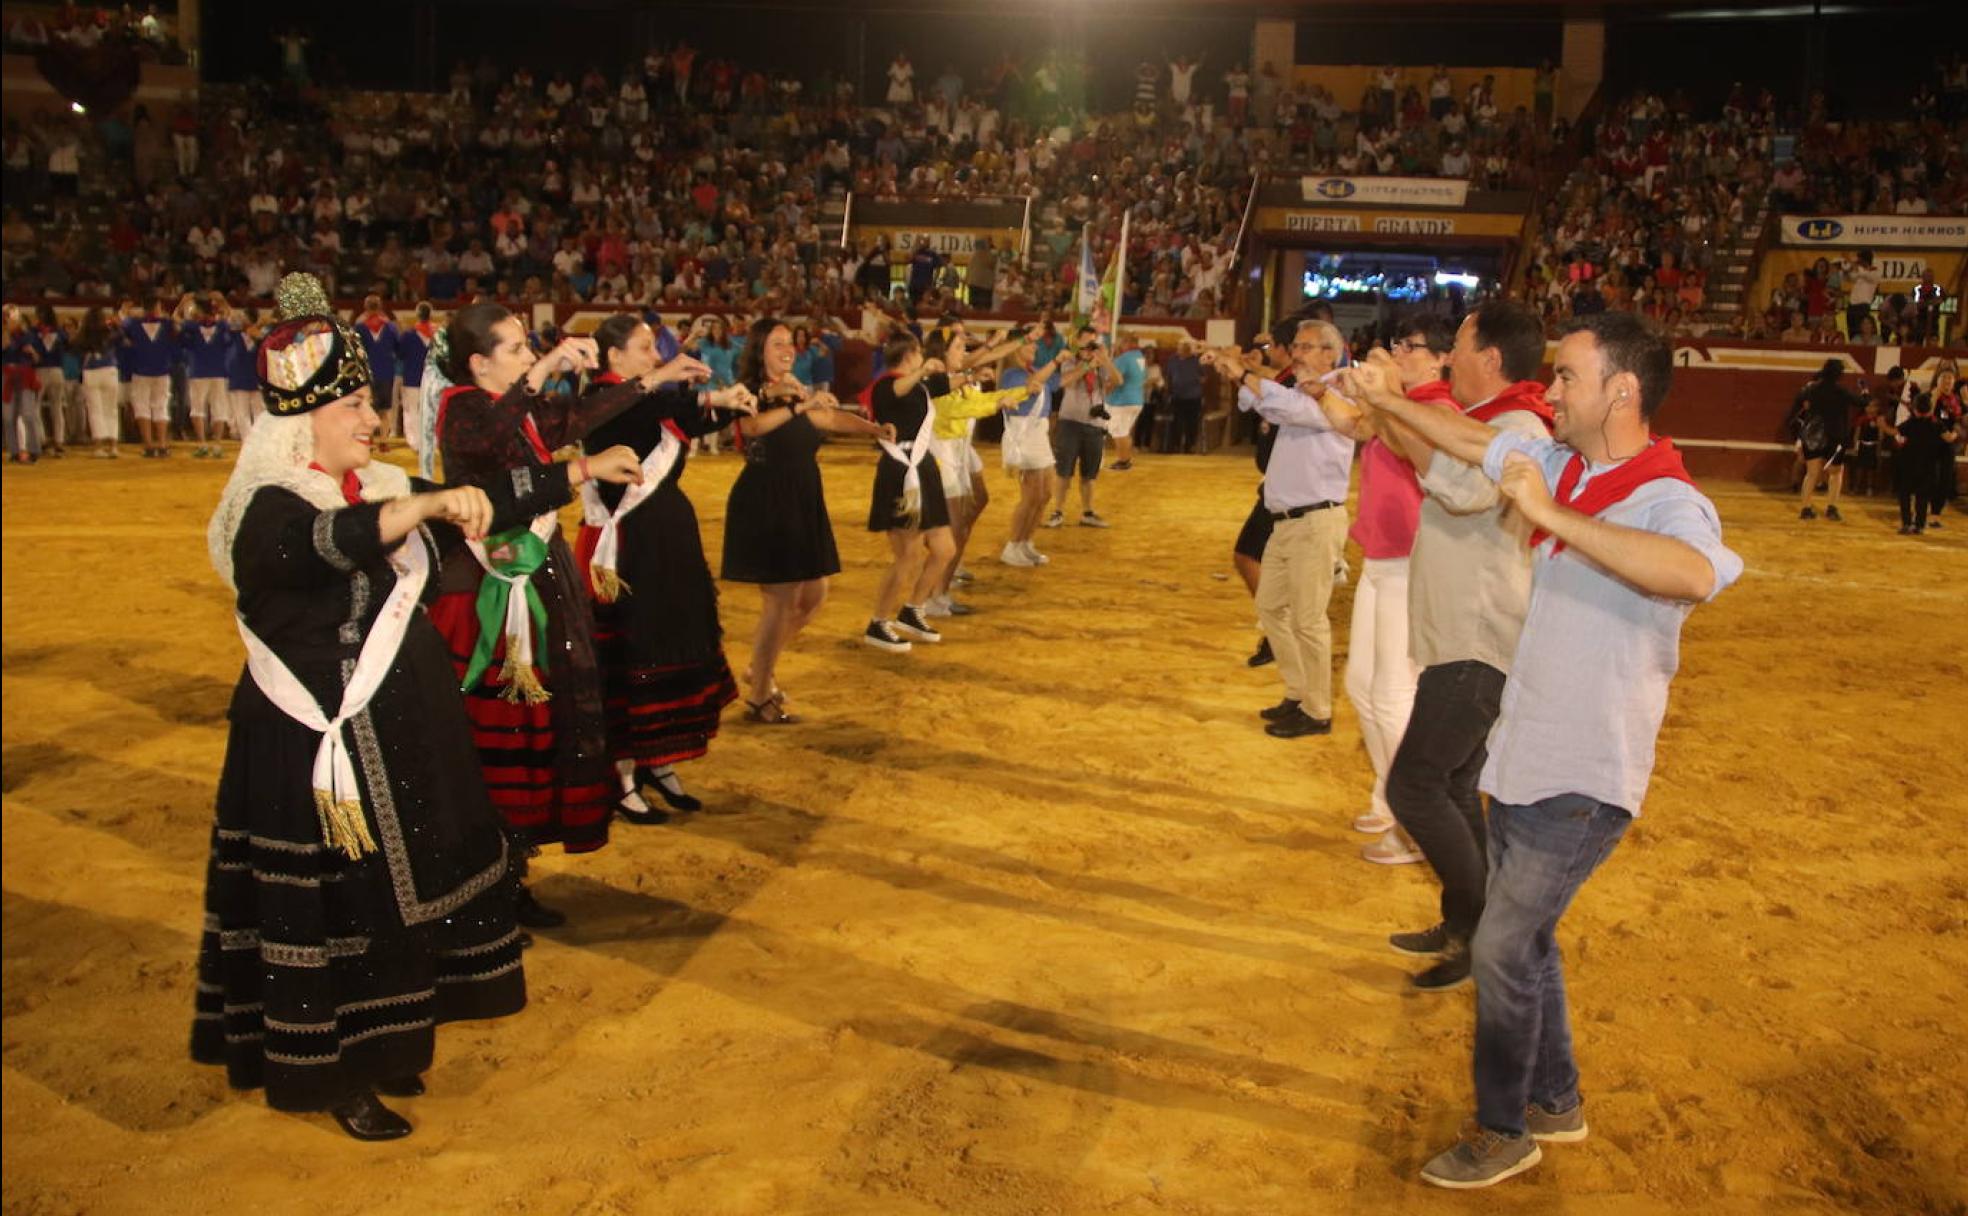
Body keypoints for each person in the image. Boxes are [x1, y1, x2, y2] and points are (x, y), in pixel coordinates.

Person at [195, 276, 643, 1141]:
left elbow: (483, 505)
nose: (372, 419)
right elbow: (327, 544)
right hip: (316, 755)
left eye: (370, 402)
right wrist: (426, 502)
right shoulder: (273, 511)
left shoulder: (381, 486)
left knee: (397, 895)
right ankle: (338, 1073)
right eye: (355, 405)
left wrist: (578, 469)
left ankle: (392, 1045)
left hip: (395, 733)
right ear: (300, 425)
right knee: (341, 905)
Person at [1345, 311, 1742, 1189]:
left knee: (1500, 945)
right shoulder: (1563, 463)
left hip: (1586, 771)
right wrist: (1398, 400)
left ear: (1622, 391)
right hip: (1527, 750)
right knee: (1528, 944)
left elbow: (1695, 572)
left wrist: (1550, 510)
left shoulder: (1667, 495)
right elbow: (1468, 435)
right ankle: (1554, 1103)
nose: (1552, 392)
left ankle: (1503, 1129)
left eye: (1568, 377)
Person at [425, 301, 654, 930]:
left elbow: (577, 415)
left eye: (530, 348)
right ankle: (482, 885)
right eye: (518, 349)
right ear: (479, 362)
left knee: (536, 727)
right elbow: (498, 468)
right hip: (487, 591)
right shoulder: (463, 410)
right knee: (500, 730)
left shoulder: (512, 410)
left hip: (537, 577)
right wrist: (552, 377)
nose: (529, 358)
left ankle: (510, 874)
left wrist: (646, 383)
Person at [1370, 299, 1553, 991]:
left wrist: (1396, 402)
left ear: (1492, 359)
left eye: (1463, 345)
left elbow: (1453, 489)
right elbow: (1415, 452)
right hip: (1467, 638)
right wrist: (1391, 403)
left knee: (1415, 787)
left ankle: (1485, 933)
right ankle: (1468, 928)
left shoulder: (1516, 427)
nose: (1451, 357)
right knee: (1450, 783)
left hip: (1478, 642)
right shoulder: (1489, 422)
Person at [576, 315, 756, 820]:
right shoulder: (604, 400)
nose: (655, 356)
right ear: (614, 357)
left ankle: (659, 760)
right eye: (643, 347)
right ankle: (624, 772)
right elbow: (650, 411)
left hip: (665, 542)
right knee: (634, 657)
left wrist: (738, 399)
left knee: (669, 642)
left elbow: (686, 417)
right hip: (630, 548)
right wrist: (708, 397)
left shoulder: (645, 396)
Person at [721, 317, 892, 719]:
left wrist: (873, 429)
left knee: (814, 595)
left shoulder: (796, 388)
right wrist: (802, 404)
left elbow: (829, 420)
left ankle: (758, 670)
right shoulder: (751, 392)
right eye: (777, 342)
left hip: (801, 496)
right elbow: (753, 426)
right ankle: (760, 696)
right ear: (759, 349)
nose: (787, 349)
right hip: (767, 498)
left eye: (790, 342)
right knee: (779, 602)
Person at [1207, 319, 1362, 741]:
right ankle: (1298, 693)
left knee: (1309, 620)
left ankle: (1318, 709)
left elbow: (1286, 409)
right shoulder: (1300, 390)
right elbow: (1263, 404)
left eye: (1307, 347)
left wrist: (1243, 372)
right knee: (1272, 608)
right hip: (1287, 520)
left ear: (1331, 352)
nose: (1296, 354)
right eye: (1295, 346)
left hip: (1315, 519)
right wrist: (1239, 372)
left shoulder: (1340, 391)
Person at [1348, 316, 1457, 867]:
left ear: (1440, 360)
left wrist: (1385, 397)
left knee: (1393, 693)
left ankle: (1415, 822)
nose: (1398, 354)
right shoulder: (1407, 401)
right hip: (1381, 556)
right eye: (1397, 346)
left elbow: (1417, 460)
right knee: (1362, 685)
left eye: (1410, 348)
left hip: (1413, 562)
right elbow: (1361, 429)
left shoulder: (1440, 408)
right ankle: (1390, 799)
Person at [864, 331, 960, 653]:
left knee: (945, 548)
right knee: (908, 555)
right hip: (900, 468)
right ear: (909, 355)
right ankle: (878, 622)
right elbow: (895, 391)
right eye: (918, 354)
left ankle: (912, 610)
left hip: (923, 468)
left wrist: (978, 371)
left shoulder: (919, 386)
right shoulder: (884, 387)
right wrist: (922, 372)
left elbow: (950, 382)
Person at [1231, 327, 1293, 667]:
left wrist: (1244, 370)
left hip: (1286, 491)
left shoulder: (1293, 382)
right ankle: (1276, 629)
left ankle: (1276, 631)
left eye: (1268, 345)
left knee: (1247, 555)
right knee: (1252, 557)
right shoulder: (1283, 377)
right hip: (1276, 486)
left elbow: (1272, 386)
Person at [996, 334, 1068, 566]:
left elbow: (1059, 382)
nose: (1035, 346)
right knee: (1031, 496)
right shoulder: (1011, 375)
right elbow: (1031, 385)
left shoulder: (1034, 369)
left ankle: (1026, 542)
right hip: (1024, 432)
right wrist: (1055, 361)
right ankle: (1013, 545)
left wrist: (1087, 365)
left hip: (1039, 432)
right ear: (1017, 349)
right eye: (1030, 343)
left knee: (1045, 494)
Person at [1045, 325, 1121, 529]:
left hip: (1095, 425)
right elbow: (1066, 383)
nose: (1089, 347)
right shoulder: (1070, 361)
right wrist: (1087, 365)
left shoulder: (1101, 363)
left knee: (1090, 473)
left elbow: (1118, 380)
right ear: (1077, 342)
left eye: (1093, 343)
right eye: (1086, 343)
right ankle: (1057, 511)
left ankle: (1087, 512)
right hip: (1070, 422)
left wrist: (1104, 360)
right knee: (1064, 471)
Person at [1794, 358, 1860, 522]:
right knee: (1836, 473)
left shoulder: (1811, 389)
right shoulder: (1841, 391)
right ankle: (1831, 507)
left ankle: (1805, 508)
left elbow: (1799, 402)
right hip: (1835, 436)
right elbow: (1862, 402)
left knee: (1812, 474)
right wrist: (1864, 390)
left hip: (1814, 435)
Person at [1884, 393, 1958, 535]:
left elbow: (1893, 431)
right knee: (1922, 497)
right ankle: (1919, 525)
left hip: (1908, 465)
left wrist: (1882, 424)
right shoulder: (1936, 423)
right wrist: (1955, 432)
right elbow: (1948, 438)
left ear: (1916, 409)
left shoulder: (1911, 423)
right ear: (1930, 409)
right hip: (1928, 467)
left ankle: (1906, 523)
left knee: (1905, 495)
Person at [177, 292, 234, 457]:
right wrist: (223, 301)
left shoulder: (192, 326)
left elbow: (175, 319)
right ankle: (216, 445)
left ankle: (202, 444)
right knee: (219, 409)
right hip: (219, 372)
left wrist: (182, 303)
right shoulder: (221, 325)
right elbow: (232, 316)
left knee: (198, 408)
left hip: (198, 372)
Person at [122, 294, 177, 458]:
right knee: (160, 407)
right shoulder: (167, 324)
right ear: (157, 307)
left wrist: (126, 311)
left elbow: (121, 326)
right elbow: (177, 330)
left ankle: (148, 445)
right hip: (162, 371)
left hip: (141, 371)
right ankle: (162, 444)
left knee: (142, 407)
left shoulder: (133, 323)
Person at [73, 306, 124, 458]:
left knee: (95, 410)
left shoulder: (83, 335)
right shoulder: (109, 332)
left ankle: (98, 446)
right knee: (111, 409)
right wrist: (115, 324)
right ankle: (113, 446)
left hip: (91, 371)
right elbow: (120, 337)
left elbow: (74, 347)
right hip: (108, 370)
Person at [355, 295, 401, 447]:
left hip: (368, 373)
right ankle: (384, 440)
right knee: (385, 409)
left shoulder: (360, 328)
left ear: (366, 308)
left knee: (368, 407)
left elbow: (356, 350)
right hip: (386, 372)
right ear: (380, 307)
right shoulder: (390, 327)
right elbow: (398, 348)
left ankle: (369, 439)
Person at [1104, 331, 1149, 472]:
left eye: (1121, 342)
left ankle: (1123, 461)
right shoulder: (1141, 358)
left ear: (1126, 343)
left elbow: (1115, 380)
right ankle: (1125, 459)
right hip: (1136, 399)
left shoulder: (1123, 359)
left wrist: (1104, 391)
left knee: (1119, 432)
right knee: (1124, 431)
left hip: (1121, 401)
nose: (1118, 345)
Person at [1161, 339, 1204, 454]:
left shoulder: (1196, 361)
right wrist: (1167, 391)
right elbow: (1167, 376)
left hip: (1193, 397)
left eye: (1184, 347)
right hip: (1176, 396)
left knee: (1192, 423)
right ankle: (1175, 446)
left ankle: (1189, 446)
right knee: (1176, 422)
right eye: (1180, 347)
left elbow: (1204, 377)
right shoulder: (1172, 360)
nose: (1181, 349)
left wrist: (1195, 380)